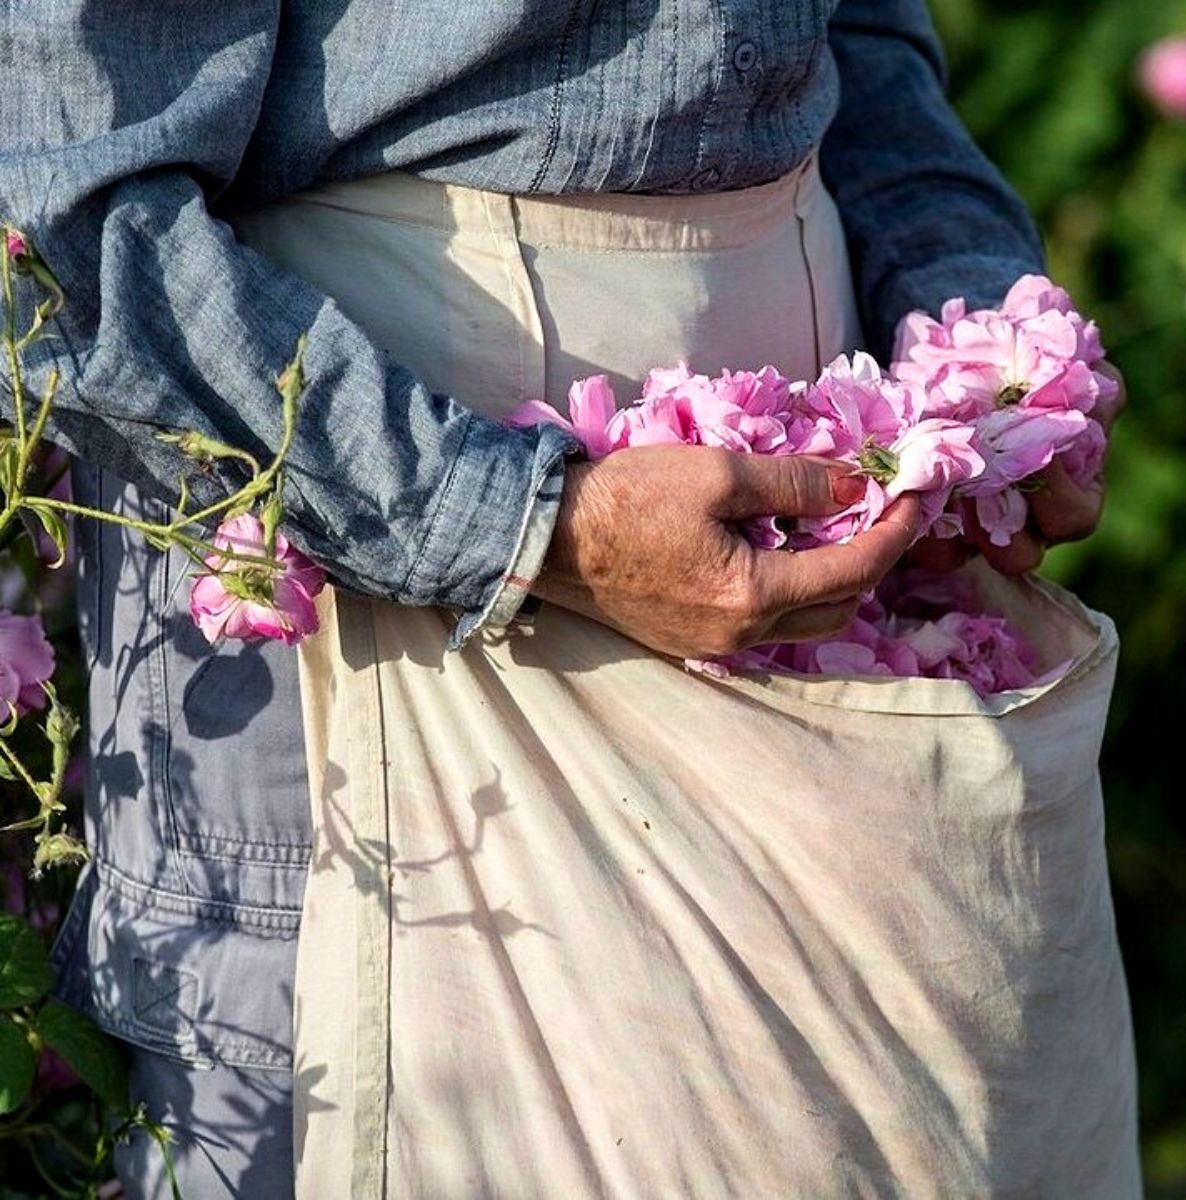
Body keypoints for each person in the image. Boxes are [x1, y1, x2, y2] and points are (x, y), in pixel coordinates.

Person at [0, 2, 1128, 1196]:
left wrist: (984, 332)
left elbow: (859, 37)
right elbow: (57, 207)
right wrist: (524, 524)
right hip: (372, 601)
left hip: (824, 594)